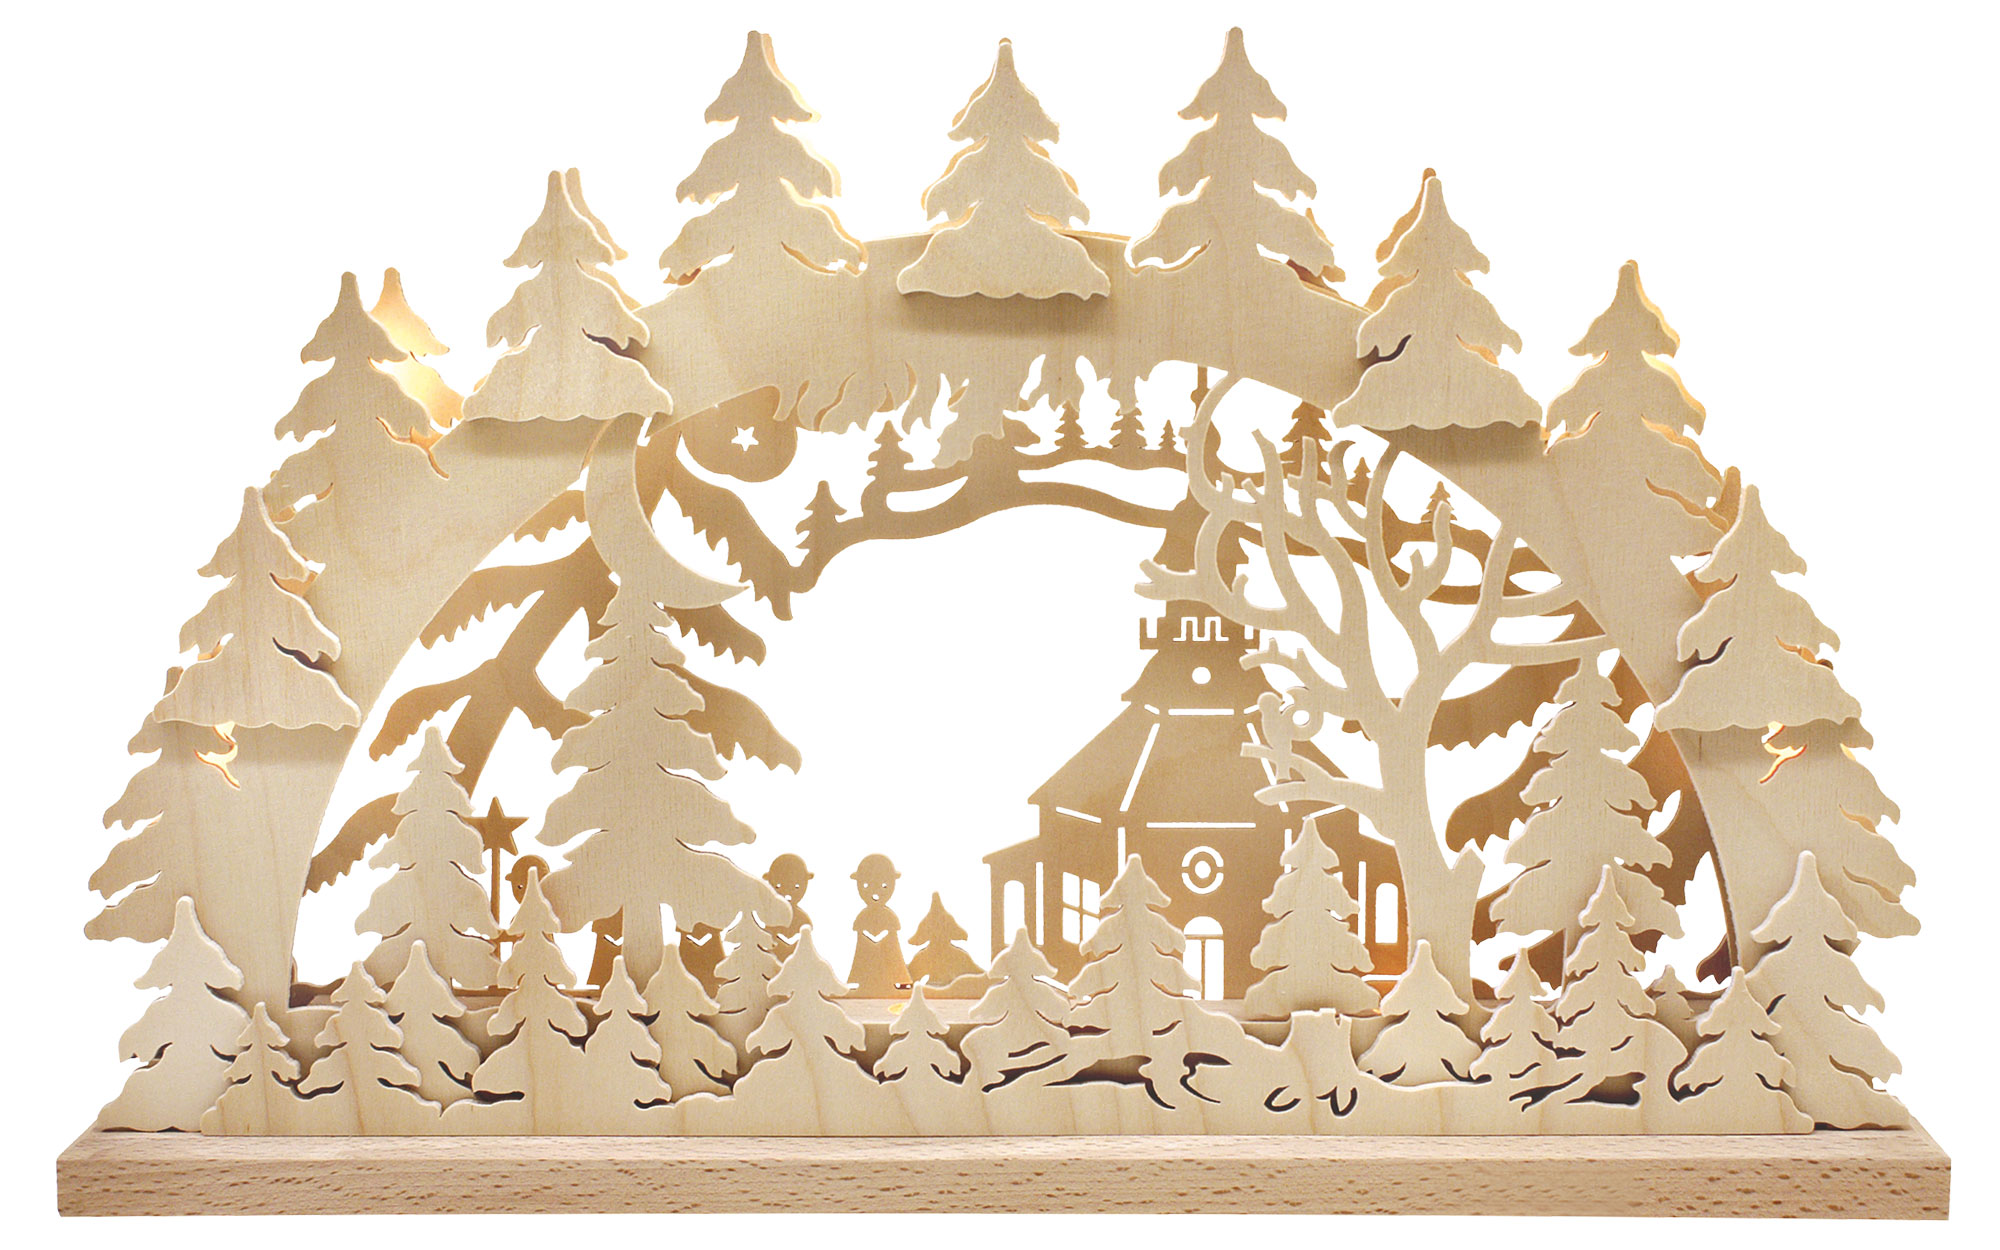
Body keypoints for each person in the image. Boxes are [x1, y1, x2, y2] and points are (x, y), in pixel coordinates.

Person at [845, 853, 911, 996]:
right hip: (866, 951)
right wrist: (872, 944)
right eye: (866, 885)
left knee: (892, 955)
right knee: (865, 956)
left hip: (886, 951)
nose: (875, 892)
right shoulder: (863, 917)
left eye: (884, 886)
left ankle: (895, 981)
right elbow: (860, 933)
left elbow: (892, 936)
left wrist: (879, 943)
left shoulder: (889, 917)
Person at [764, 853, 813, 961]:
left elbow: (807, 934)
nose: (787, 893)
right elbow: (767, 935)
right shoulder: (772, 918)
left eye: (796, 887)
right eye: (778, 886)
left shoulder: (802, 919)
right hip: (774, 960)